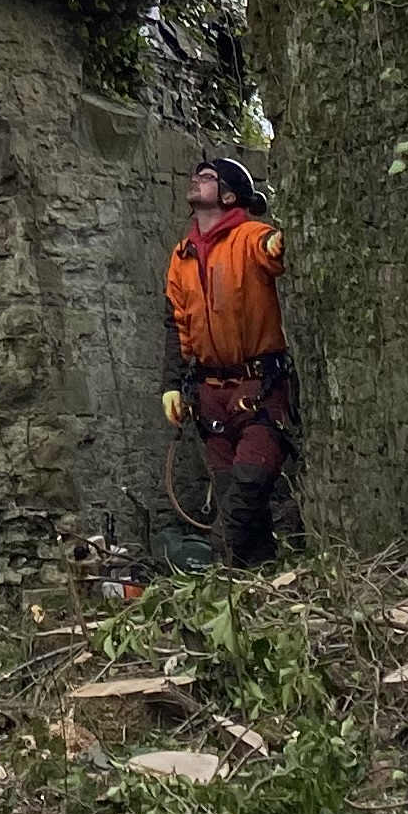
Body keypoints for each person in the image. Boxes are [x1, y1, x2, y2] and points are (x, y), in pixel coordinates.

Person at [161, 153, 293, 564]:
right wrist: (171, 385)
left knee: (244, 494)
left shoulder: (252, 237)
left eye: (208, 177)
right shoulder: (182, 255)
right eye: (197, 174)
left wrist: (278, 242)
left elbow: (274, 250)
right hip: (210, 396)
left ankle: (223, 575)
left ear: (229, 193)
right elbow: (175, 324)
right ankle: (260, 583)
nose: (197, 179)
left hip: (259, 389)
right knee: (236, 503)